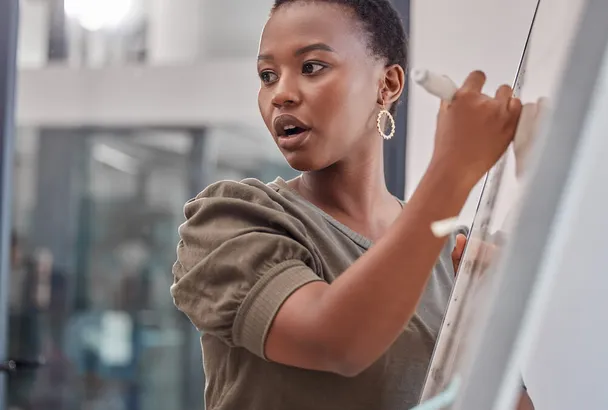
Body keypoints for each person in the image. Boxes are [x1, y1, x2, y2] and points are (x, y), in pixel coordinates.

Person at [171, 0, 534, 409]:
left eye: (311, 67)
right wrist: (453, 167)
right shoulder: (229, 222)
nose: (281, 95)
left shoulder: (453, 254)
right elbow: (336, 342)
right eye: (267, 75)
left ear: (388, 84)